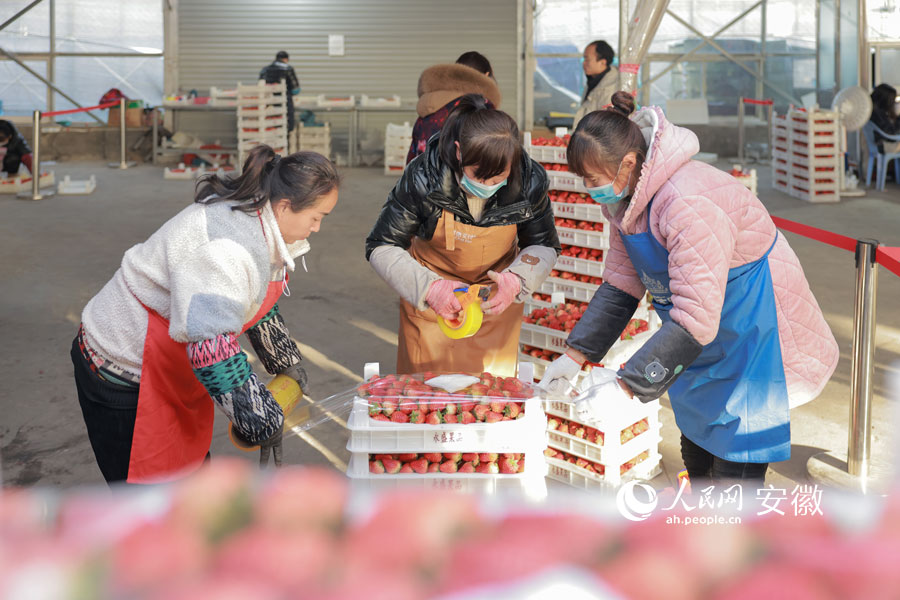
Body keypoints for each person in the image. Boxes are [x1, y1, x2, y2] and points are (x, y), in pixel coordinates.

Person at [540, 92, 839, 485]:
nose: (588, 189)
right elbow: (620, 286)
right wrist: (576, 356)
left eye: (592, 180)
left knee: (735, 466)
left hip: (749, 332)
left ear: (628, 163)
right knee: (698, 453)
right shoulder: (627, 202)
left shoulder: (687, 201)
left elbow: (696, 318)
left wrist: (629, 388)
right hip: (697, 335)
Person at [72, 146, 339, 484]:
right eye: (317, 217)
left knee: (187, 484)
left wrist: (282, 358)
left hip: (167, 363)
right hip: (121, 365)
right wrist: (260, 418)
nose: (317, 228)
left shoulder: (260, 217)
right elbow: (212, 352)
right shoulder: (228, 249)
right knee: (146, 502)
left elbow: (249, 297)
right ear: (285, 206)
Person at [368, 94, 560, 376]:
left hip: (493, 304)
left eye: (498, 179)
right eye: (479, 176)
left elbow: (543, 244)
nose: (488, 185)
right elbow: (382, 245)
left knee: (489, 400)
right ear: (459, 152)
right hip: (432, 307)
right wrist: (429, 288)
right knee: (428, 402)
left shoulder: (529, 180)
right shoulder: (424, 176)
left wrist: (517, 280)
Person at [406, 51, 502, 164]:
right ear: (486, 76)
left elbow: (412, 157)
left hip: (420, 177)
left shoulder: (430, 101)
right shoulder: (479, 106)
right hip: (456, 179)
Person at [572, 40, 619, 129]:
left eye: (587, 59)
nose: (583, 63)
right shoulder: (594, 80)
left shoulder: (612, 87)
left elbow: (607, 124)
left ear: (602, 62)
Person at [260, 51, 301, 132]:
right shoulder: (288, 69)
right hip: (285, 101)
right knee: (285, 126)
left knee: (270, 125)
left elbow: (260, 85)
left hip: (268, 102)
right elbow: (295, 89)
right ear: (286, 59)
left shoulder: (265, 69)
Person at [870, 83, 900, 154]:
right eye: (892, 99)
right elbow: (891, 136)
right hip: (885, 146)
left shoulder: (873, 111)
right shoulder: (878, 115)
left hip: (879, 144)